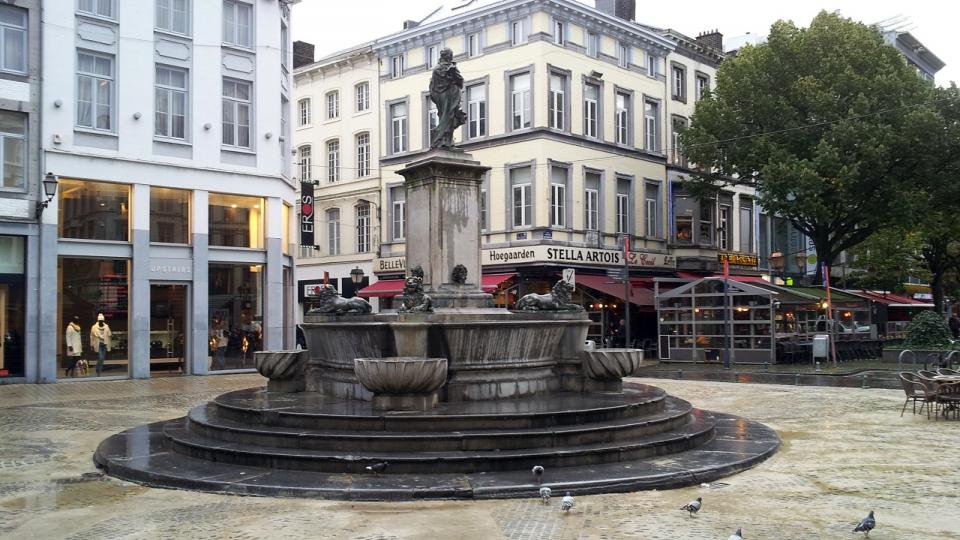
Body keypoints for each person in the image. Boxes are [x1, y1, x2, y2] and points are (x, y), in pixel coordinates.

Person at [428, 47, 467, 148]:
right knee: (447, 117)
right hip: (446, 96)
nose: (451, 56)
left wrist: (453, 73)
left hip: (451, 95)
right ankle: (439, 139)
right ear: (446, 56)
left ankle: (447, 141)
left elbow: (460, 81)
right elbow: (437, 85)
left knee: (450, 117)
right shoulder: (438, 69)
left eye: (451, 54)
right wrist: (452, 75)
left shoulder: (449, 67)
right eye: (450, 54)